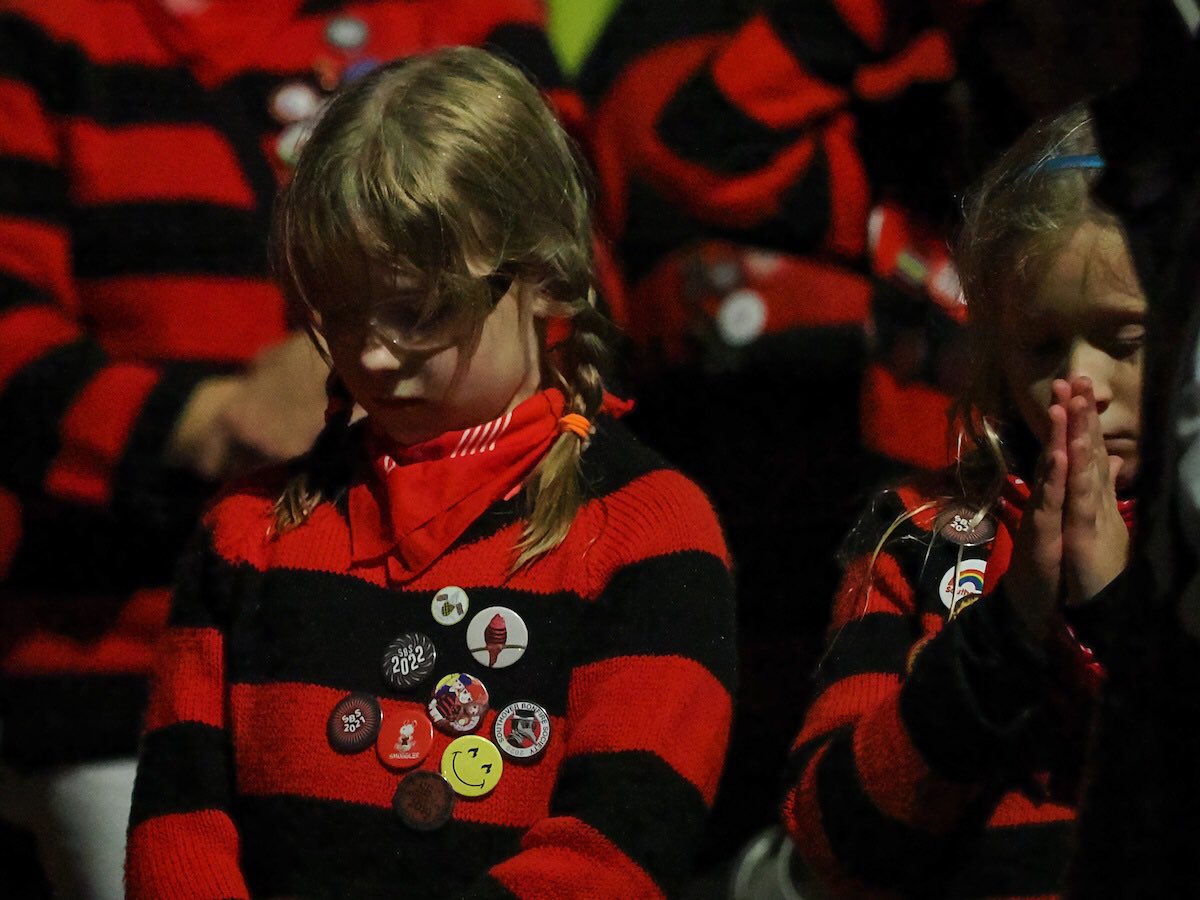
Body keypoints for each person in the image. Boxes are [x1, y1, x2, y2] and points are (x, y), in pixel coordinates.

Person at [125, 46, 735, 898]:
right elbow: (178, 827)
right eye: (340, 315)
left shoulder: (647, 530)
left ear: (548, 276)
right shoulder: (246, 534)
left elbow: (617, 848)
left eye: (418, 311)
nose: (374, 354)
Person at [0, 2, 570, 896]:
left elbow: (568, 262)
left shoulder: (458, 12)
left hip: (462, 647)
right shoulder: (43, 27)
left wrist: (372, 358)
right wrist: (213, 421)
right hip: (132, 661)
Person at [780, 104, 1146, 898]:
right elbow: (830, 845)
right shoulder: (918, 538)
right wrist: (1005, 632)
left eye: (1127, 341)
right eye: (1042, 346)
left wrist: (1115, 610)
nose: (1079, 384)